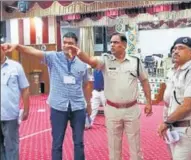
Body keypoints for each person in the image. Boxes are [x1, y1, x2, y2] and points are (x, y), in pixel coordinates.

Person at [1, 32, 92, 160]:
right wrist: (17, 46)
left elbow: (85, 84)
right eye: (64, 42)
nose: (67, 45)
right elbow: (32, 51)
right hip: (58, 107)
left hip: (78, 107)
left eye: (70, 43)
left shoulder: (82, 63)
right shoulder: (53, 57)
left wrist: (88, 104)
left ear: (76, 45)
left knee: (79, 143)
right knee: (57, 144)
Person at [67, 32, 153, 160]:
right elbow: (91, 60)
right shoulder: (105, 60)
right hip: (112, 110)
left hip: (131, 109)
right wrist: (79, 53)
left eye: (116, 42)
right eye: (111, 42)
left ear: (124, 45)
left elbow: (144, 81)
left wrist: (149, 102)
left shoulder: (135, 62)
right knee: (114, 146)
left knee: (135, 145)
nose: (112, 45)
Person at [157, 37, 191, 160]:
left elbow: (187, 105)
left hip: (187, 129)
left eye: (181, 48)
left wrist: (166, 122)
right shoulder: (173, 71)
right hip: (172, 127)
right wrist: (167, 123)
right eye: (174, 48)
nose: (175, 51)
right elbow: (169, 102)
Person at [0, 39, 30, 160]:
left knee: (12, 146)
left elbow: (25, 89)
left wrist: (26, 109)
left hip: (10, 115)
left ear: (3, 49)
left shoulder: (16, 67)